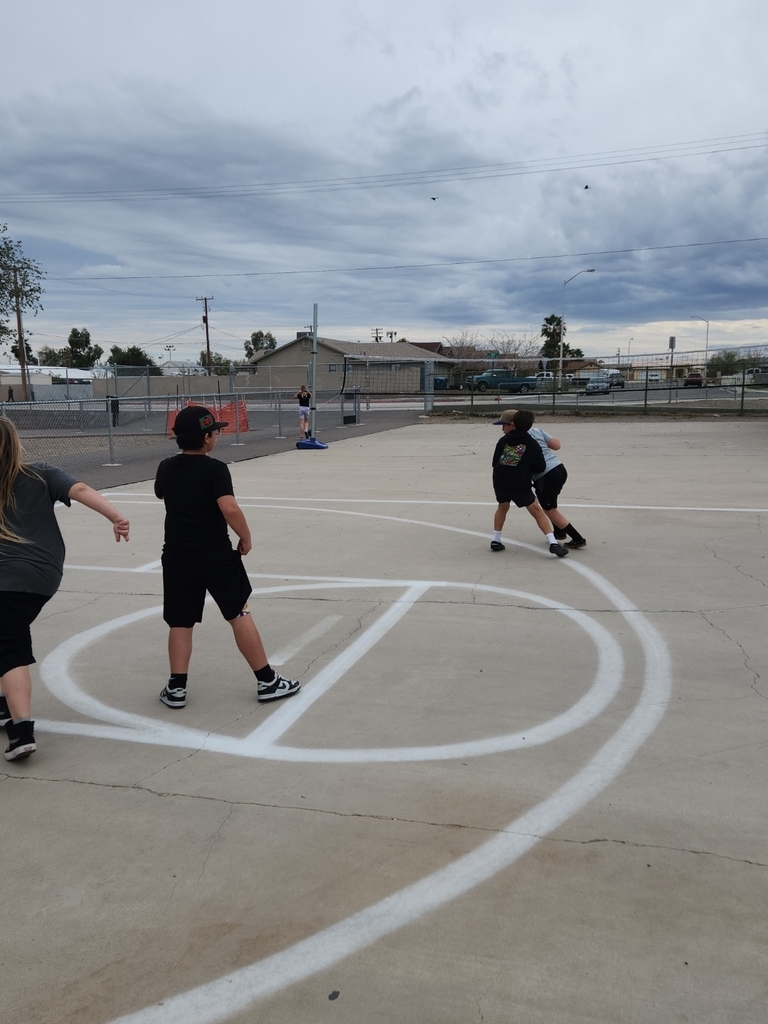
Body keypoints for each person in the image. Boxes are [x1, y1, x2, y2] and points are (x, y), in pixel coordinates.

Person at [0, 416, 130, 761]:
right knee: (7, 633)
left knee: (10, 646)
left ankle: (22, 730)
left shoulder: (36, 474)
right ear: (16, 445)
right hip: (43, 576)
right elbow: (81, 490)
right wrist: (115, 516)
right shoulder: (41, 472)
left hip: (8, 579)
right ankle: (5, 704)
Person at [154, 405, 300, 710]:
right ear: (207, 438)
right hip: (216, 555)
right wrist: (245, 537)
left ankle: (177, 686)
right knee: (238, 613)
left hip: (178, 556)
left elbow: (164, 494)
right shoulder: (215, 469)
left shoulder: (166, 467)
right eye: (215, 432)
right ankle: (267, 680)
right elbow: (229, 507)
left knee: (180, 621)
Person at [489, 409, 568, 558]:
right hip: (519, 481)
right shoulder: (531, 443)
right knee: (536, 511)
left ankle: (496, 539)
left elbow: (494, 461)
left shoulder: (503, 441)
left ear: (513, 424)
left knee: (502, 507)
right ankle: (553, 543)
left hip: (500, 479)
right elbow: (540, 466)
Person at [524, 412, 587, 550]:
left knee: (549, 509)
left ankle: (577, 538)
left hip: (545, 475)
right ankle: (558, 531)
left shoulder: (520, 439)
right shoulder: (537, 431)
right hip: (559, 468)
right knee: (549, 502)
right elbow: (556, 445)